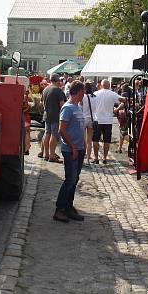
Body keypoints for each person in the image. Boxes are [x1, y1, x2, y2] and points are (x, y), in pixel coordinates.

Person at [53, 81, 86, 223]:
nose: (84, 95)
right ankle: (59, 209)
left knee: (75, 179)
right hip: (71, 150)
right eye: (83, 92)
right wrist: (72, 146)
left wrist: (82, 145)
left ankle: (68, 206)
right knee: (70, 180)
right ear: (79, 92)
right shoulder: (67, 108)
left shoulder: (77, 107)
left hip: (79, 149)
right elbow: (62, 129)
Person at [91, 79, 122, 164]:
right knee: (107, 140)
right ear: (109, 85)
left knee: (95, 139)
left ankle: (96, 158)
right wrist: (117, 109)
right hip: (108, 120)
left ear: (101, 85)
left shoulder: (95, 94)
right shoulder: (112, 94)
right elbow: (123, 100)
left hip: (97, 119)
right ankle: (104, 158)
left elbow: (91, 104)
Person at [40, 74, 66, 163]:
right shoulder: (58, 91)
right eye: (59, 81)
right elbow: (62, 105)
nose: (60, 82)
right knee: (54, 135)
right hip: (55, 115)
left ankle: (46, 154)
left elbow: (42, 103)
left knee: (47, 134)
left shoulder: (45, 89)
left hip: (46, 115)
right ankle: (52, 155)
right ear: (57, 81)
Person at [80, 82, 96, 165]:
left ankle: (82, 158)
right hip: (92, 118)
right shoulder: (94, 97)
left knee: (82, 140)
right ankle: (88, 159)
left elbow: (80, 107)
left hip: (84, 118)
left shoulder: (83, 97)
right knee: (89, 140)